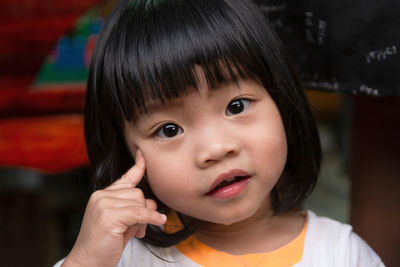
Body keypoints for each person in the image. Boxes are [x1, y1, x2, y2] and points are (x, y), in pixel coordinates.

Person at [55, 0, 384, 266]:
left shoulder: (342, 255)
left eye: (237, 106)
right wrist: (87, 259)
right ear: (125, 154)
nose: (215, 148)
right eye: (169, 129)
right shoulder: (121, 256)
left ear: (284, 102)